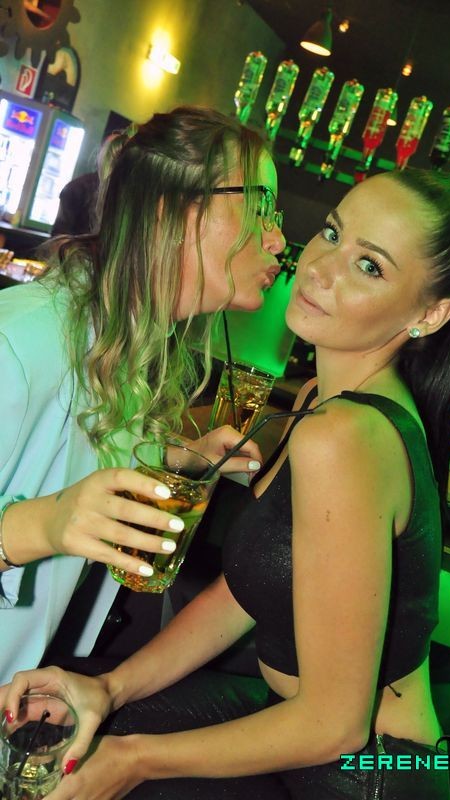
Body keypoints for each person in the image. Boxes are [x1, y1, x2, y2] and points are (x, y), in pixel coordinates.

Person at [0, 169, 450, 800]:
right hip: (295, 728)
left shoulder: (346, 437)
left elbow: (336, 725)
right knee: (72, 731)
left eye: (369, 266)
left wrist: (133, 761)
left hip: (363, 775)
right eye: (332, 233)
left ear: (430, 314)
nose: (320, 268)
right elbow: (242, 595)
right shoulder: (323, 401)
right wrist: (110, 688)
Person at [0, 105, 285, 683]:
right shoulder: (19, 340)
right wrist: (42, 526)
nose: (278, 238)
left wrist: (177, 458)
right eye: (260, 208)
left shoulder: (127, 342)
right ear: (171, 211)